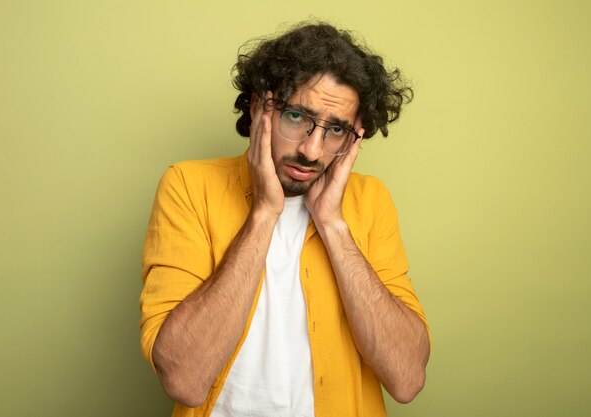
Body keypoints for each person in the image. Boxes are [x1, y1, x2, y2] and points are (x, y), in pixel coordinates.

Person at [139, 22, 430, 417]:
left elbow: (407, 378)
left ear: (354, 136)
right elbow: (185, 380)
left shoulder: (371, 200)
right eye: (297, 116)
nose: (311, 150)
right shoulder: (188, 186)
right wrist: (264, 213)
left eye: (336, 130)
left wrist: (332, 224)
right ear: (260, 106)